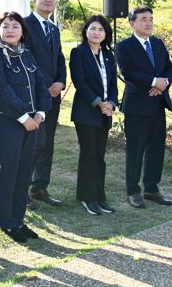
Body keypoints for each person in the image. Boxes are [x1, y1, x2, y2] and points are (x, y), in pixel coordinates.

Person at [0, 11, 50, 242]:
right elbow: (0, 91)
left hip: (32, 123)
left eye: (15, 26)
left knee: (24, 173)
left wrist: (40, 113)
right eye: (5, 26)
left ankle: (19, 220)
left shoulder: (27, 55)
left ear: (22, 31)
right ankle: (7, 222)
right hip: (8, 122)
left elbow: (42, 85)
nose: (10, 29)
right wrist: (24, 117)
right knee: (9, 171)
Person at [115, 6, 172, 208]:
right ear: (132, 23)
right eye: (143, 19)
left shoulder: (157, 43)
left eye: (151, 19)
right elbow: (128, 73)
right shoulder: (124, 46)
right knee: (136, 149)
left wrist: (163, 83)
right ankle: (133, 191)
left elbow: (170, 67)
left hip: (158, 104)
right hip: (137, 106)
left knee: (157, 148)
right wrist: (153, 81)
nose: (149, 23)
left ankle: (152, 188)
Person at [69, 15, 118, 215]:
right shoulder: (78, 52)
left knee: (100, 156)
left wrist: (111, 103)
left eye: (101, 29)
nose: (96, 32)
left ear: (106, 34)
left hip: (105, 113)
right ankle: (87, 197)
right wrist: (98, 102)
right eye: (93, 28)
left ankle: (100, 196)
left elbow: (113, 84)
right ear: (86, 31)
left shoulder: (108, 55)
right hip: (86, 112)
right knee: (88, 155)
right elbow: (79, 81)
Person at [24, 0, 67, 208]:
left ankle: (39, 187)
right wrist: (46, 84)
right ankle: (21, 191)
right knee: (31, 143)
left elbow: (60, 58)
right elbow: (26, 58)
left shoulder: (54, 28)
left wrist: (60, 81)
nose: (48, 0)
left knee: (47, 142)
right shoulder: (24, 25)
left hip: (53, 95)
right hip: (32, 94)